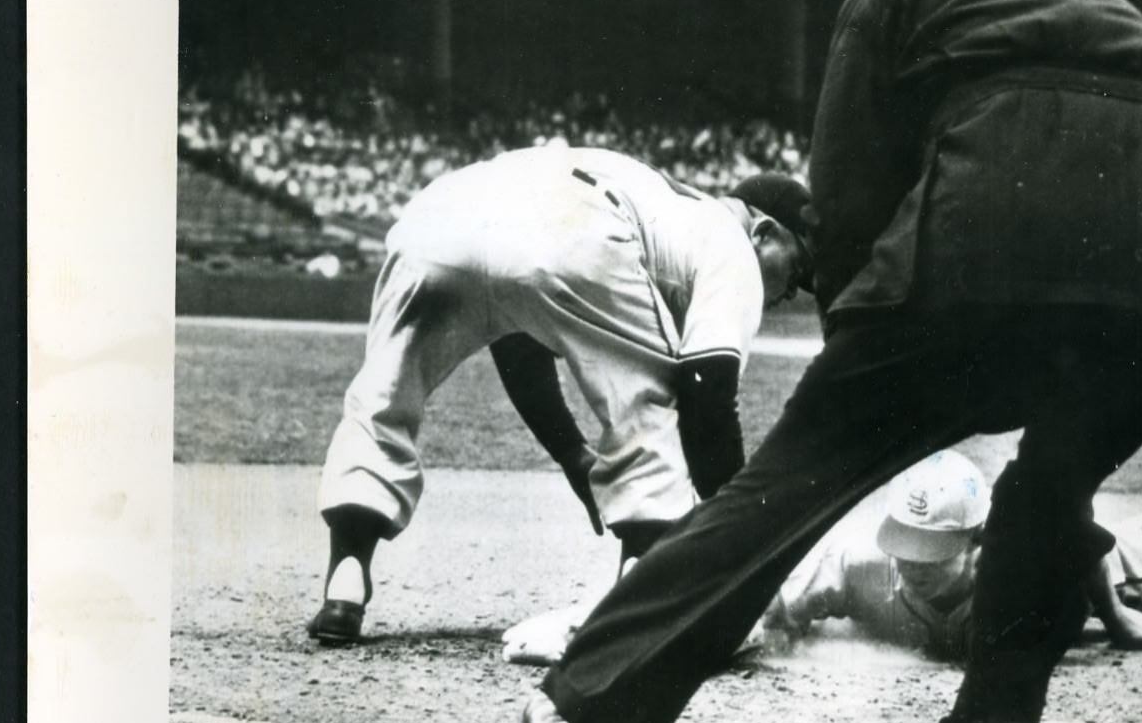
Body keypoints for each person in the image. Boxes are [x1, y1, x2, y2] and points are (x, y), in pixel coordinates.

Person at [519, 0, 1142, 723]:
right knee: (1052, 494)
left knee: (787, 487)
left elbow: (844, 184)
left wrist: (856, 346)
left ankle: (590, 708)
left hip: (979, 251)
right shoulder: (1112, 9)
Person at [309, 145, 813, 645]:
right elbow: (708, 400)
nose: (791, 291)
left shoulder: (661, 201)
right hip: (571, 219)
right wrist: (751, 551)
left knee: (386, 391)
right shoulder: (729, 240)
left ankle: (345, 579)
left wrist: (573, 453)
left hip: (438, 216)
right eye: (795, 270)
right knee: (650, 404)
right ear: (763, 231)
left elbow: (515, 333)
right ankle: (638, 590)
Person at [500, 449, 1142, 664]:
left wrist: (1120, 620)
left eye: (935, 549)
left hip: (1071, 586)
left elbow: (1079, 535)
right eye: (909, 546)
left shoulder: (1014, 558)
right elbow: (750, 595)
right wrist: (602, 630)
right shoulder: (862, 568)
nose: (915, 562)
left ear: (976, 539)